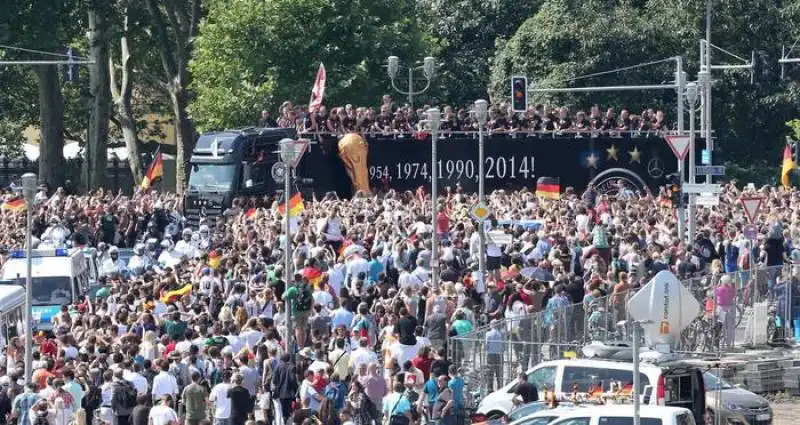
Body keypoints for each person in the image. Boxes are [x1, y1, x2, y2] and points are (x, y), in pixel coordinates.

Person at [272, 353, 298, 421]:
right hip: (290, 393)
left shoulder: (277, 367)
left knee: (282, 412)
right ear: (288, 359)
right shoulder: (292, 367)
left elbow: (274, 380)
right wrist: (295, 390)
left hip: (280, 393)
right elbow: (293, 380)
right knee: (290, 412)